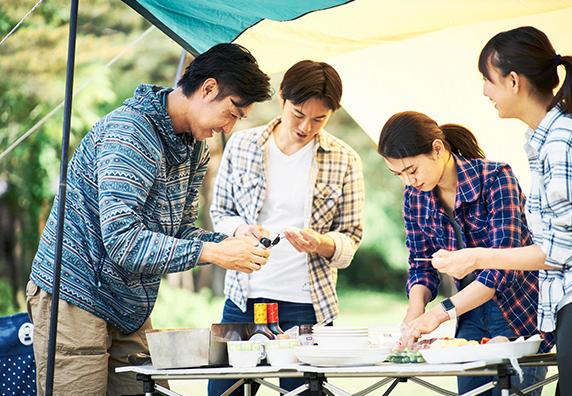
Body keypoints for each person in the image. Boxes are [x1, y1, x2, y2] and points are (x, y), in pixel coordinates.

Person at [26, 43, 273, 395]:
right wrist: (212, 254)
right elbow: (123, 242)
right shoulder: (130, 134)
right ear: (208, 89)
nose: (229, 128)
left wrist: (229, 243)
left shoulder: (195, 147)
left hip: (129, 303)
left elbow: (181, 229)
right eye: (232, 114)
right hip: (75, 294)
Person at [431, 26, 572, 396]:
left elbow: (556, 252)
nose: (484, 91)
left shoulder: (561, 143)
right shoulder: (552, 138)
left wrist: (474, 257)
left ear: (512, 81)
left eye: (486, 79)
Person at [208, 60, 364, 395]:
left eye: (319, 119)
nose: (306, 127)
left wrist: (321, 242)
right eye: (298, 114)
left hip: (307, 305)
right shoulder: (243, 143)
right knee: (223, 391)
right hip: (242, 298)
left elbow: (351, 239)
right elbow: (220, 211)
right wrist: (240, 230)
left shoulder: (345, 159)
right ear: (282, 97)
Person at [377, 111, 553, 395]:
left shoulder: (496, 178)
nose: (408, 182)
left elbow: (501, 268)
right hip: (467, 315)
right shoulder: (414, 197)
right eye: (399, 174)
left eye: (412, 170)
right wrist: (414, 313)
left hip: (516, 313)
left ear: (438, 149)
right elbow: (420, 266)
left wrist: (437, 315)